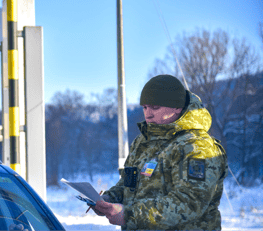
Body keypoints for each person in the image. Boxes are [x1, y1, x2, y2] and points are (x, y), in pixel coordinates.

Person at [91, 74, 228, 230]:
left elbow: (190, 203)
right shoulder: (143, 142)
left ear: (177, 107)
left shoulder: (197, 147)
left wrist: (130, 215)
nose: (148, 114)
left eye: (155, 107)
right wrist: (109, 199)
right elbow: (128, 184)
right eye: (145, 107)